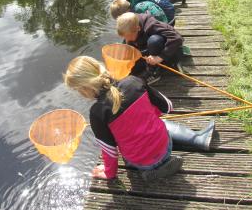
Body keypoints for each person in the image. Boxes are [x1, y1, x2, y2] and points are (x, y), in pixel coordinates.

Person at [63, 56, 215, 181]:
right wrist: (143, 115)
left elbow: (110, 151)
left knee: (130, 137)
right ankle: (196, 140)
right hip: (165, 147)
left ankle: (150, 169)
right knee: (160, 123)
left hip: (139, 162)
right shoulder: (133, 81)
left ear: (85, 88)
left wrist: (109, 174)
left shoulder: (96, 113)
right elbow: (168, 107)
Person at [116, 12, 183, 84]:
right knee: (131, 69)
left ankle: (154, 72)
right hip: (151, 51)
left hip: (171, 52)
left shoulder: (151, 25)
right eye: (125, 37)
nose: (127, 40)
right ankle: (150, 66)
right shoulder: (132, 27)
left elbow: (177, 38)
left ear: (138, 28)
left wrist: (160, 57)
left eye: (129, 37)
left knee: (154, 41)